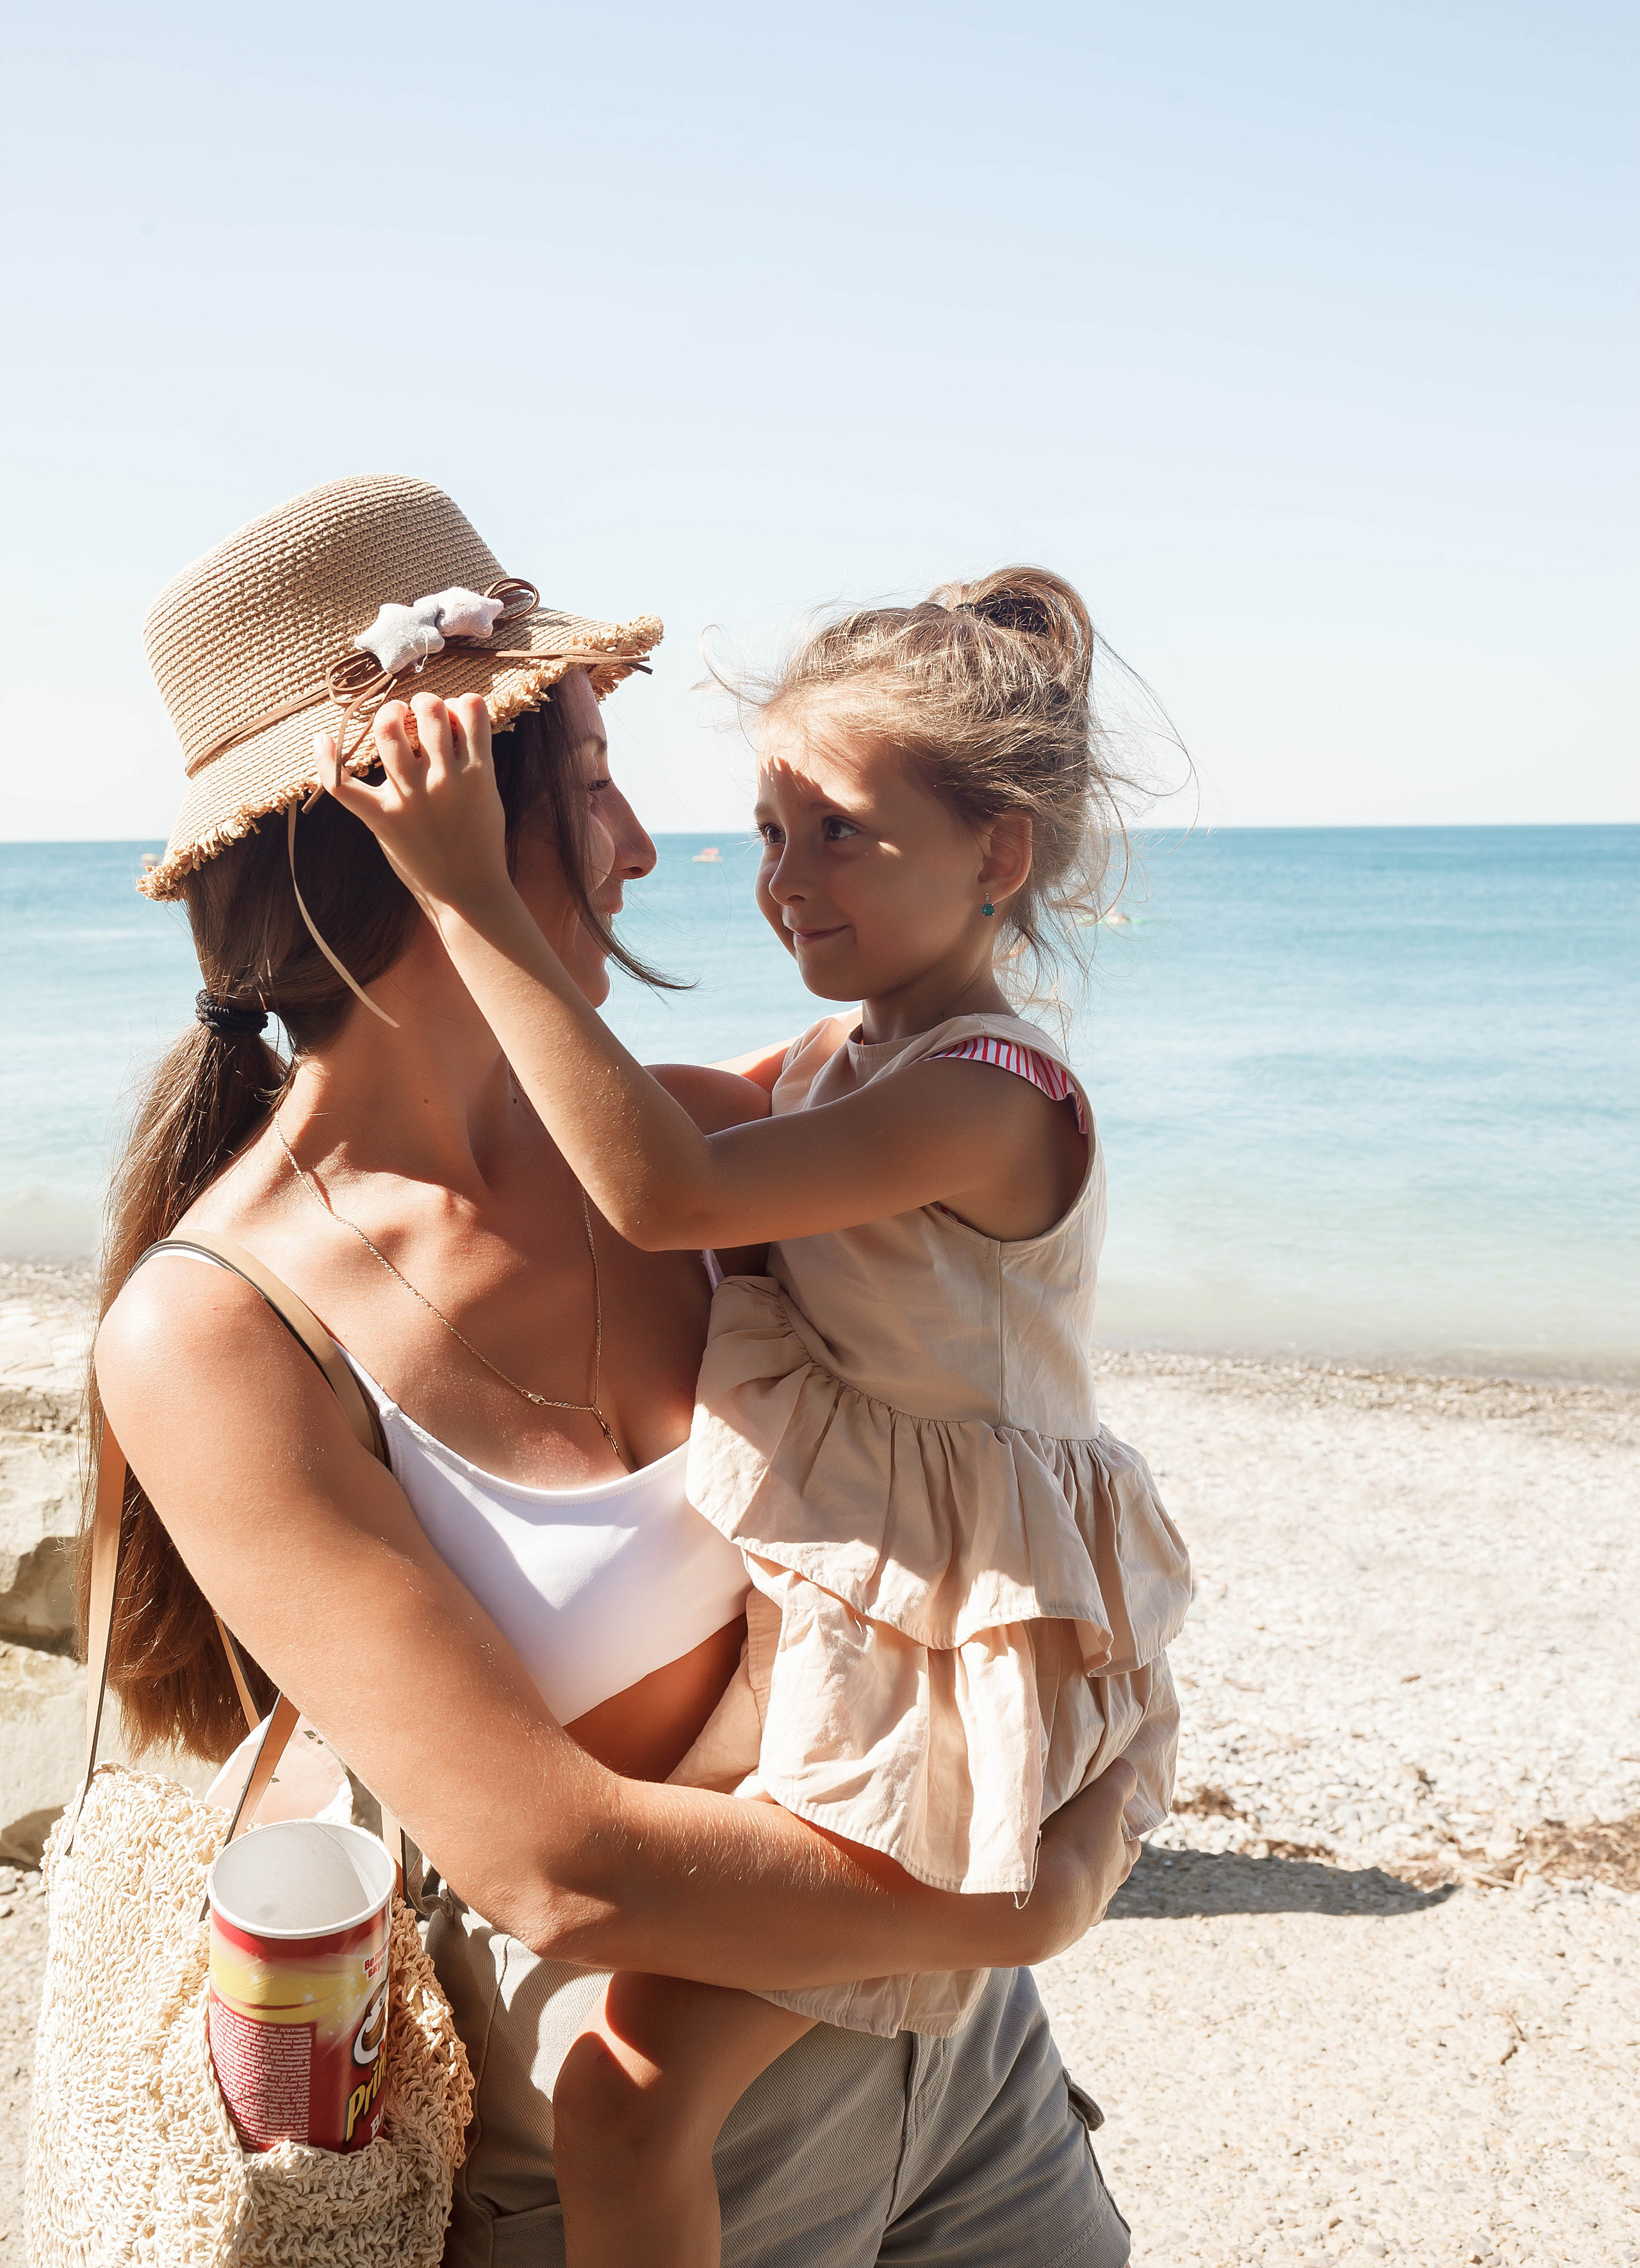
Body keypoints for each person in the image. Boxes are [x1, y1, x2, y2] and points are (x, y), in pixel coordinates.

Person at [89, 474, 1138, 2267]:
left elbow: (979, 1372)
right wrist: (1025, 1902)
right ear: (429, 833)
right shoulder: (221, 1332)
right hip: (656, 2140)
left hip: (968, 2079)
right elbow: (554, 1863)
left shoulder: (714, 1143)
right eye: (591, 787)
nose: (645, 850)